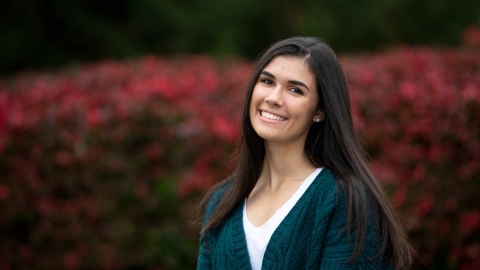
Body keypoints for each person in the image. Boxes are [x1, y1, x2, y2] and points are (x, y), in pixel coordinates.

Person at [196, 37, 413, 269]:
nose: (273, 98)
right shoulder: (222, 203)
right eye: (267, 81)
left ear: (320, 110)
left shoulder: (343, 201)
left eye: (294, 90)